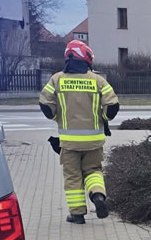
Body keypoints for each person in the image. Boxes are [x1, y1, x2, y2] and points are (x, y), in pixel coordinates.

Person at [39, 40, 119, 224]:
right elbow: (112, 105)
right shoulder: (98, 80)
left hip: (69, 143)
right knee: (93, 171)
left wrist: (56, 117)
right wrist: (104, 118)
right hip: (94, 141)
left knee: (73, 177)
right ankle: (98, 195)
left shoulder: (57, 79)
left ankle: (77, 214)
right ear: (87, 58)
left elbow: (45, 104)